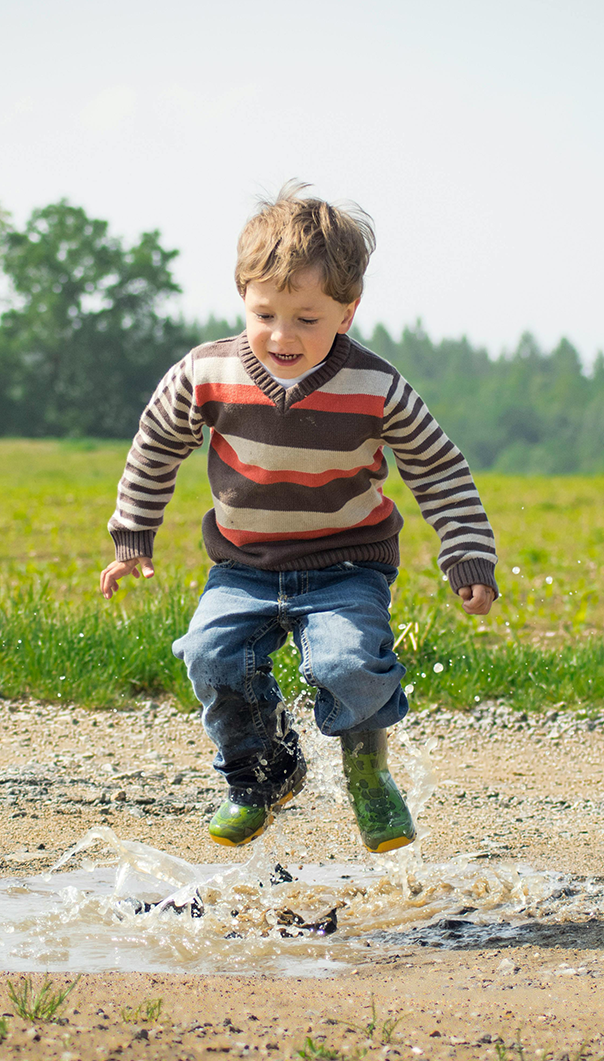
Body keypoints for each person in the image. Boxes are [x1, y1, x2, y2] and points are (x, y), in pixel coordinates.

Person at [99, 182, 498, 853]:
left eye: (306, 319)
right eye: (265, 314)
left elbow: (437, 469)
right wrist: (131, 533)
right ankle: (262, 773)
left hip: (347, 565)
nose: (282, 336)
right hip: (243, 566)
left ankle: (367, 769)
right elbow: (155, 444)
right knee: (209, 654)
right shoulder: (206, 372)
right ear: (243, 298)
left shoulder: (377, 387)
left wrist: (466, 554)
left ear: (347, 311)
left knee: (346, 664)